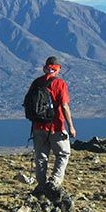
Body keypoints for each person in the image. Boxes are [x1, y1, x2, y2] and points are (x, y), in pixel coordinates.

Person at [27, 56, 76, 193]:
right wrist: (71, 126)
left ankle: (41, 186)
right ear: (58, 69)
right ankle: (54, 182)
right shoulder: (59, 83)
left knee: (41, 157)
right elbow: (64, 106)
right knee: (63, 154)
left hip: (38, 127)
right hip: (56, 127)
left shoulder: (36, 82)